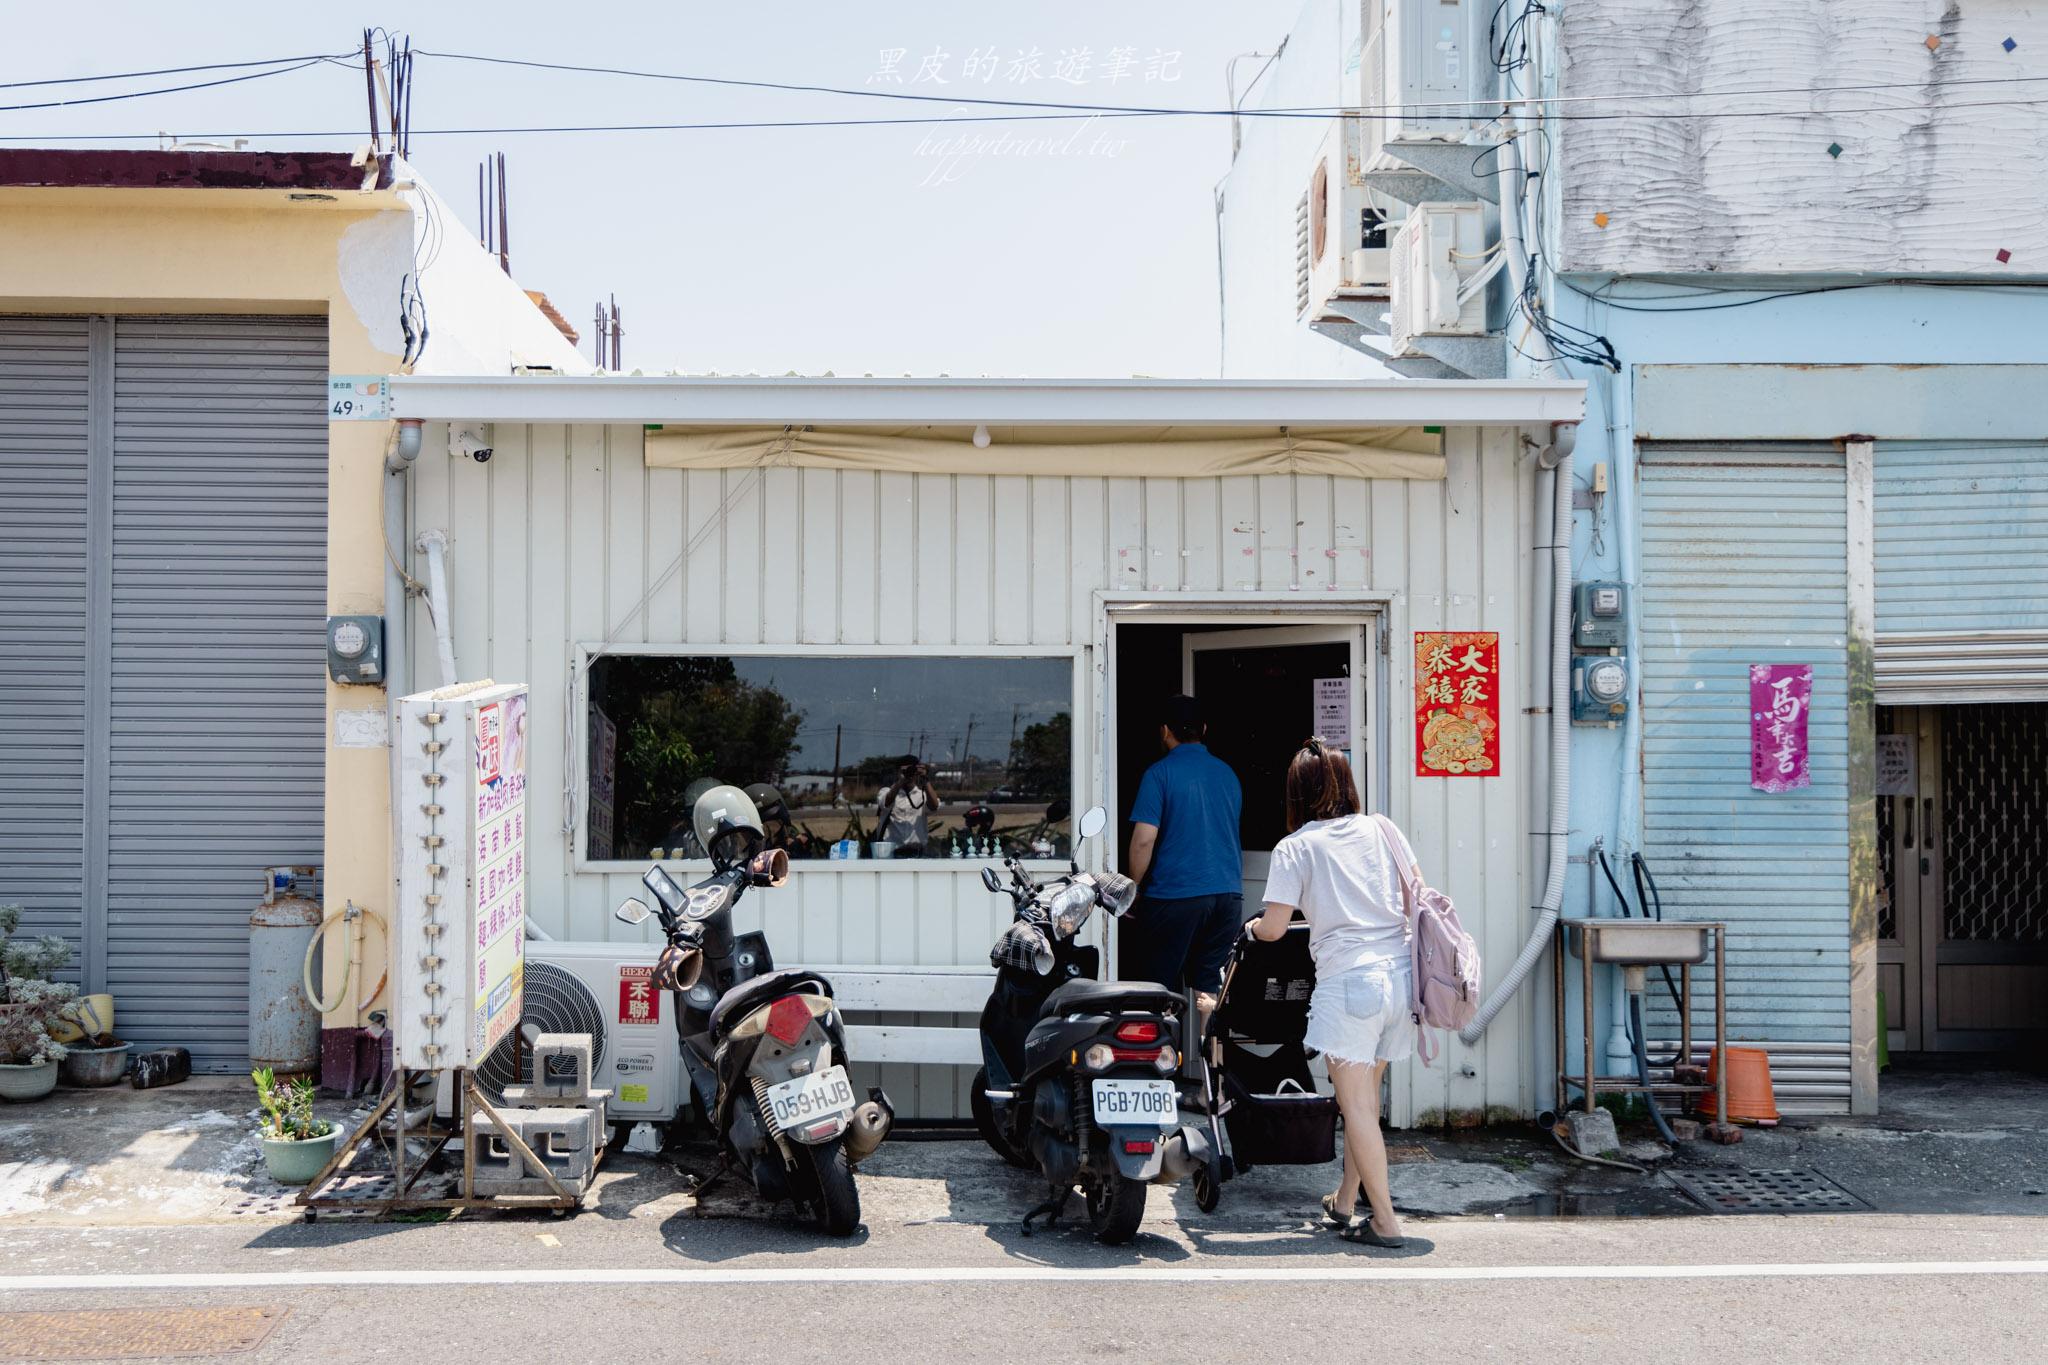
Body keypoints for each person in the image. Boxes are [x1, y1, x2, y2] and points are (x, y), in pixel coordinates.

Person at [1248, 738, 1415, 1250]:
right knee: (1362, 1101)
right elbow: (1415, 896)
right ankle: (1345, 1203)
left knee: (1358, 1108)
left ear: (1297, 794)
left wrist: (1254, 927)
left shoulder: (1296, 847)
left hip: (1351, 987)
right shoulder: (1382, 829)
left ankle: (1384, 1221)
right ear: (1346, 785)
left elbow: (1275, 929)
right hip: (1401, 981)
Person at [1122, 695, 1244, 995]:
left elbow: (1143, 840)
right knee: (1209, 985)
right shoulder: (1228, 774)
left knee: (1158, 984)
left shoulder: (1159, 774)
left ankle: (1164, 1043)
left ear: (1165, 731)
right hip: (1228, 896)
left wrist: (1133, 887)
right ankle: (1206, 1043)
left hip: (1177, 895)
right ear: (1204, 728)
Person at [877, 757, 935, 857]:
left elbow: (934, 806)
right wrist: (901, 780)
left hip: (917, 852)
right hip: (891, 852)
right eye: (904, 771)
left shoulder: (922, 794)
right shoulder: (887, 791)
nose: (909, 774)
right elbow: (886, 802)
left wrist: (925, 779)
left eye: (912, 771)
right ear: (897, 772)